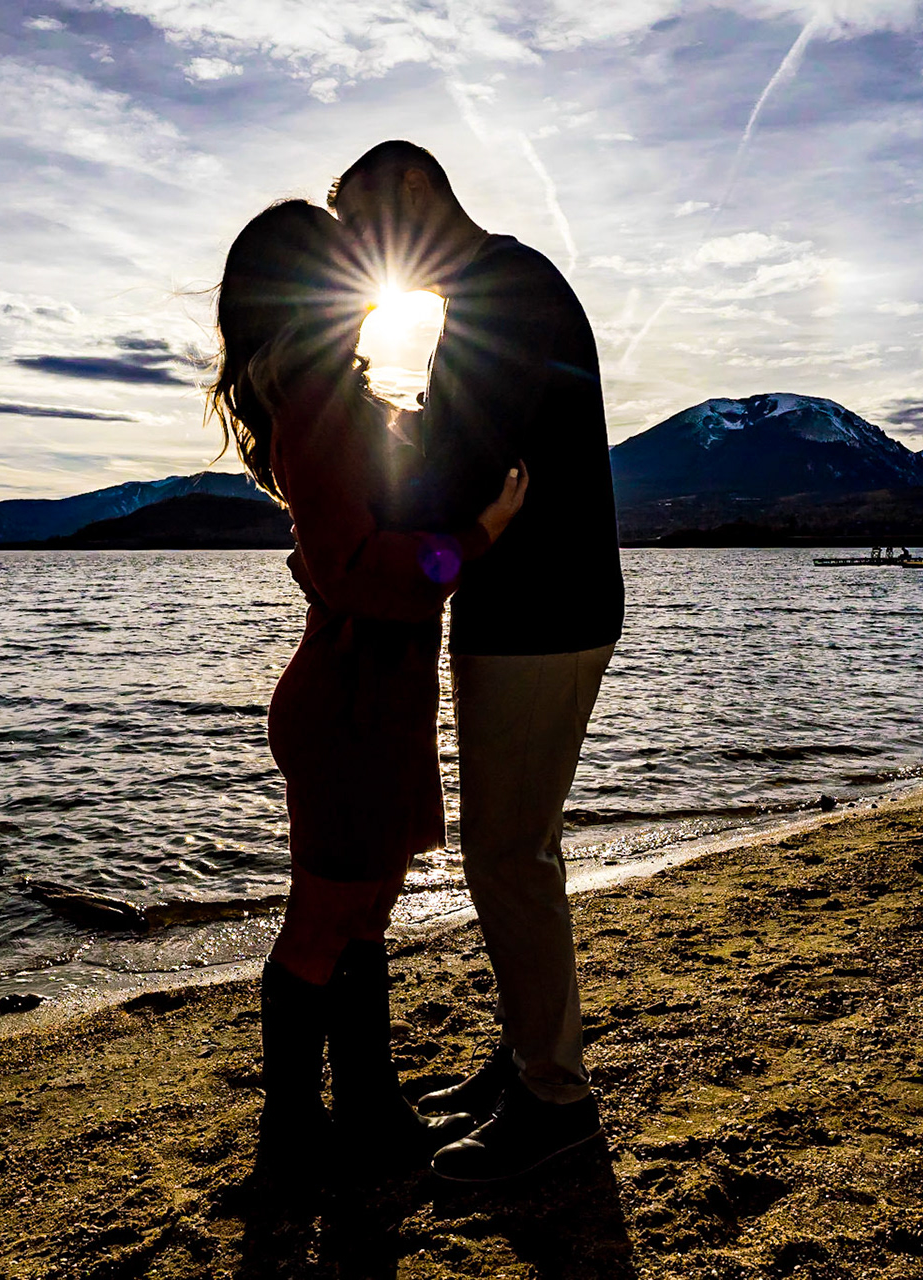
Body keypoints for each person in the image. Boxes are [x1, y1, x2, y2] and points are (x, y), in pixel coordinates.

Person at [207, 199, 529, 1180]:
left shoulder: (330, 393)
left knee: (364, 908)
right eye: (341, 257)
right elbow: (351, 562)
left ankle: (370, 1111)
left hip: (374, 697)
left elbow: (353, 541)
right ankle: (293, 1140)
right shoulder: (310, 399)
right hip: (347, 703)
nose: (360, 270)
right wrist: (477, 537)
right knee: (323, 916)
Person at [330, 141, 626, 1183]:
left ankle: (554, 1097)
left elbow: (469, 462)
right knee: (511, 847)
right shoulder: (493, 293)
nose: (364, 248)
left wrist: (369, 524)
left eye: (365, 223)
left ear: (416, 189)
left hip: (544, 612)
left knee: (509, 854)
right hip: (527, 608)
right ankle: (526, 1059)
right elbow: (463, 442)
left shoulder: (506, 288)